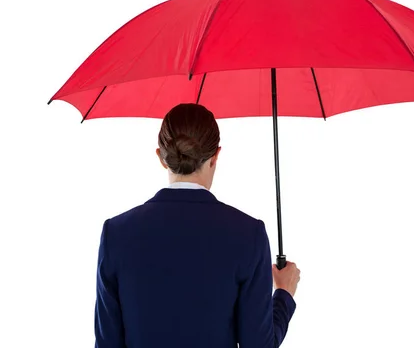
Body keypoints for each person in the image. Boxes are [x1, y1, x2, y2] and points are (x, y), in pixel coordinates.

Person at [94, 103, 301, 348]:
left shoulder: (116, 234)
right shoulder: (248, 235)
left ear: (161, 157)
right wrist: (284, 295)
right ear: (216, 156)